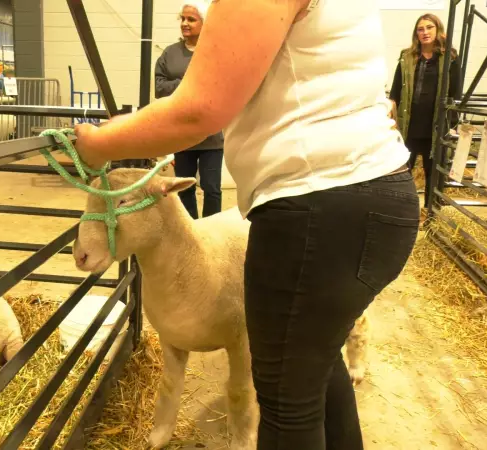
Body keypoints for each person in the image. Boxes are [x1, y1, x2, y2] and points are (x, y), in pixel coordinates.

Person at [73, 0, 420, 448]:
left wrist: (100, 144)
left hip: (320, 201)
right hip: (361, 192)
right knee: (315, 372)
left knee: (285, 400)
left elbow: (199, 109)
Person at [154, 0, 224, 218]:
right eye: (182, 19)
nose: (185, 23)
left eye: (191, 19)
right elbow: (159, 87)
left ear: (205, 23)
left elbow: (221, 86)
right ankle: (190, 229)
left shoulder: (215, 51)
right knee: (184, 188)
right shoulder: (170, 54)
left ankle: (212, 230)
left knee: (212, 189)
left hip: (211, 136)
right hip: (182, 135)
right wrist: (185, 84)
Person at [389, 13, 460, 211]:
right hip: (409, 126)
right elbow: (395, 92)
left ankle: (431, 213)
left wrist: (453, 125)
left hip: (435, 127)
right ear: (416, 33)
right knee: (403, 172)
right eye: (420, 29)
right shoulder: (407, 58)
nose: (425, 32)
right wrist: (392, 121)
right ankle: (403, 211)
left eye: (429, 27)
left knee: (433, 173)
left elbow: (456, 92)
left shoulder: (449, 58)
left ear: (438, 30)